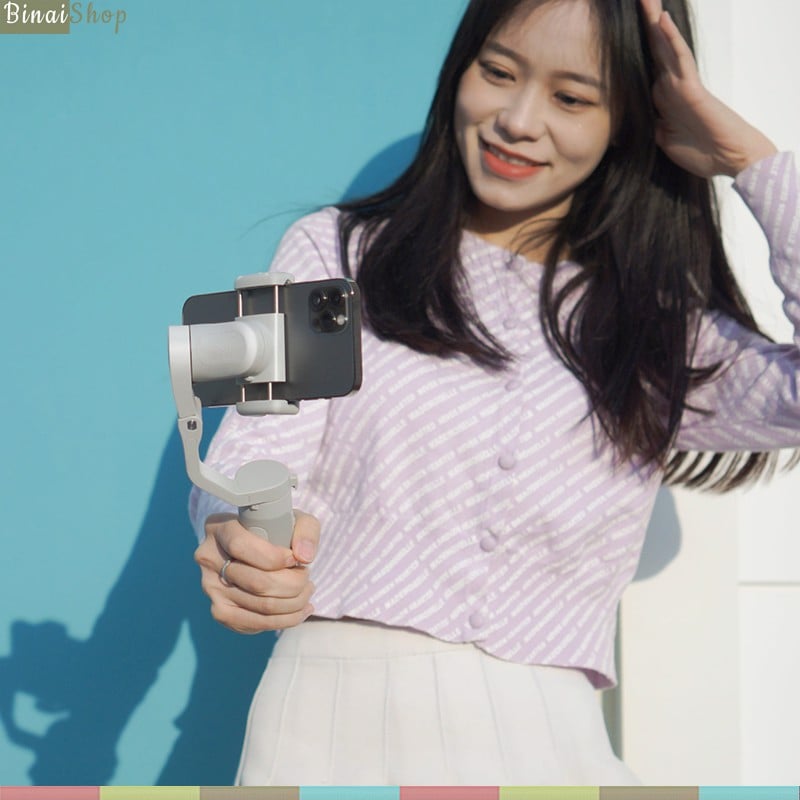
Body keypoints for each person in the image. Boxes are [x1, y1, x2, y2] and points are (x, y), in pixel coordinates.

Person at [189, 0, 799, 785]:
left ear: (629, 120)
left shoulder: (656, 330)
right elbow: (251, 458)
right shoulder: (329, 254)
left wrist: (752, 160)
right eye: (499, 71)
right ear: (461, 68)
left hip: (552, 738)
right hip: (331, 722)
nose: (517, 120)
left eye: (571, 97)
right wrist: (238, 537)